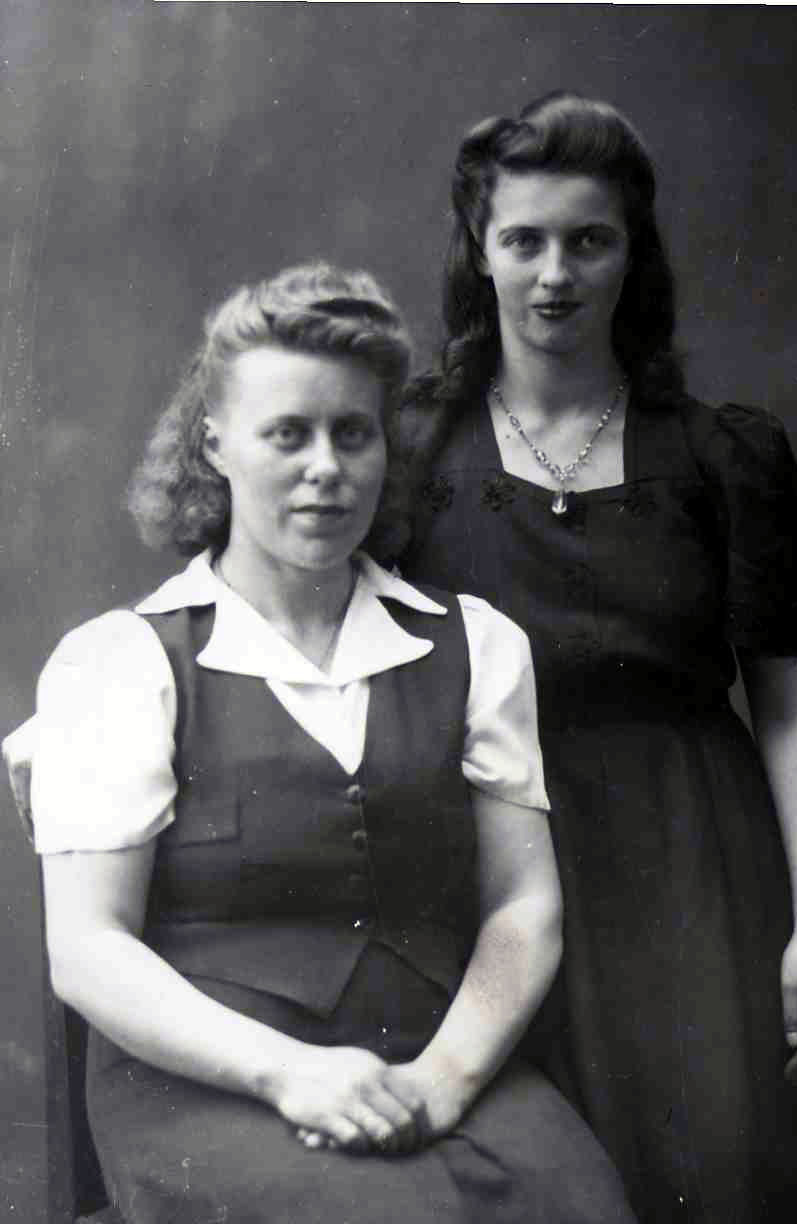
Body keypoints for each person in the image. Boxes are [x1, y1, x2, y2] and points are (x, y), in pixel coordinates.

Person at [5, 263, 638, 1223]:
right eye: (287, 434)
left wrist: (443, 1081)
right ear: (216, 445)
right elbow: (90, 949)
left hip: (433, 1063)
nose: (326, 468)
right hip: (211, 1084)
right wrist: (288, 1073)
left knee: (583, 1203)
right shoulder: (124, 661)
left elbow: (522, 906)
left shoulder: (474, 645)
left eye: (353, 433)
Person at [393, 92, 797, 1222]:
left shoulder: (721, 455)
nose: (555, 275)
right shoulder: (414, 450)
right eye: (524, 241)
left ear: (632, 253)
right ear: (480, 252)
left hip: (698, 874)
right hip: (490, 868)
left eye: (589, 241)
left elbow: (786, 704)